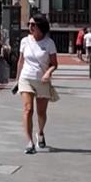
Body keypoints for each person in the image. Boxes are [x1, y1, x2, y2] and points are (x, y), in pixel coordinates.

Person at [16, 14, 58, 154]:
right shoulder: (24, 41)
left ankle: (40, 132)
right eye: (29, 24)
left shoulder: (49, 43)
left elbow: (54, 64)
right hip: (26, 78)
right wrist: (17, 79)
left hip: (42, 80)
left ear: (41, 27)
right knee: (28, 109)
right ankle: (29, 142)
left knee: (41, 113)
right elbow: (21, 61)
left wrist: (48, 72)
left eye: (33, 24)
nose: (30, 26)